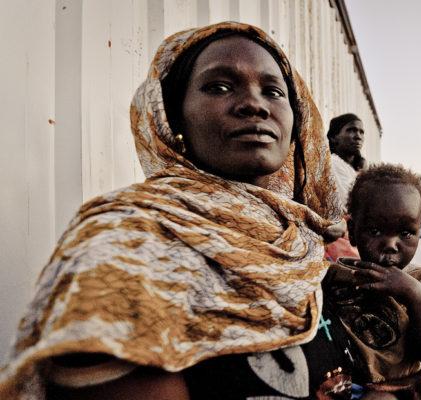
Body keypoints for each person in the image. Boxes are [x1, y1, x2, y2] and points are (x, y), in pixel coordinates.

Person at [0, 22, 354, 399]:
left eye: (273, 91)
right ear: (173, 117)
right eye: (218, 86)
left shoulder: (302, 245)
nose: (254, 103)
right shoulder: (128, 241)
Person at [323, 164, 421, 399]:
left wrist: (415, 296)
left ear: (419, 231)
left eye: (406, 233)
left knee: (406, 391)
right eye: (376, 230)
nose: (391, 244)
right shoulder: (334, 277)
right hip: (344, 387)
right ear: (352, 229)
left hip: (403, 385)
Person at [327, 113, 367, 207]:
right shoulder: (332, 163)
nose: (358, 136)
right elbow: (351, 205)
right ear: (333, 138)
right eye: (351, 130)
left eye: (361, 132)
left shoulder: (357, 168)